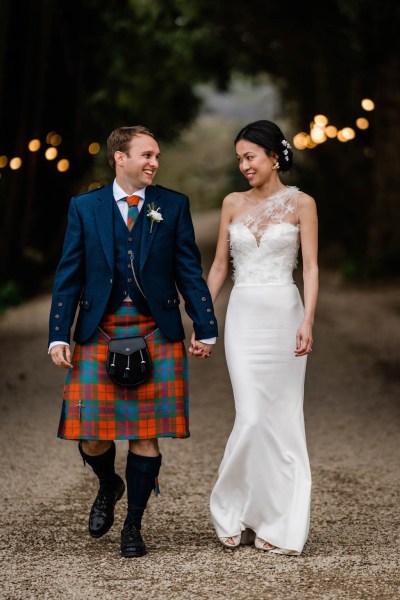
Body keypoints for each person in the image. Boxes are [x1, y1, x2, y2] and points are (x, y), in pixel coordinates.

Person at [48, 125, 217, 559]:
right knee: (91, 435)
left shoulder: (172, 205)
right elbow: (68, 274)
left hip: (154, 328)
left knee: (145, 435)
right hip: (97, 329)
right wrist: (57, 335)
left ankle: (133, 525)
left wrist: (205, 323)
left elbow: (188, 270)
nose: (154, 163)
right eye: (146, 155)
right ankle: (109, 483)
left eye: (157, 155)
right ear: (119, 158)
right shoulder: (85, 207)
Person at [207, 119, 318, 555]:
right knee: (252, 416)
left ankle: (276, 520)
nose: (244, 166)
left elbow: (309, 267)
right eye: (239, 159)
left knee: (282, 420)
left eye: (250, 157)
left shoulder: (303, 204)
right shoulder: (231, 203)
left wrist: (308, 320)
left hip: (285, 315)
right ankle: (233, 510)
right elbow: (218, 266)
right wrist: (202, 318)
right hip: (243, 318)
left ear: (274, 156)